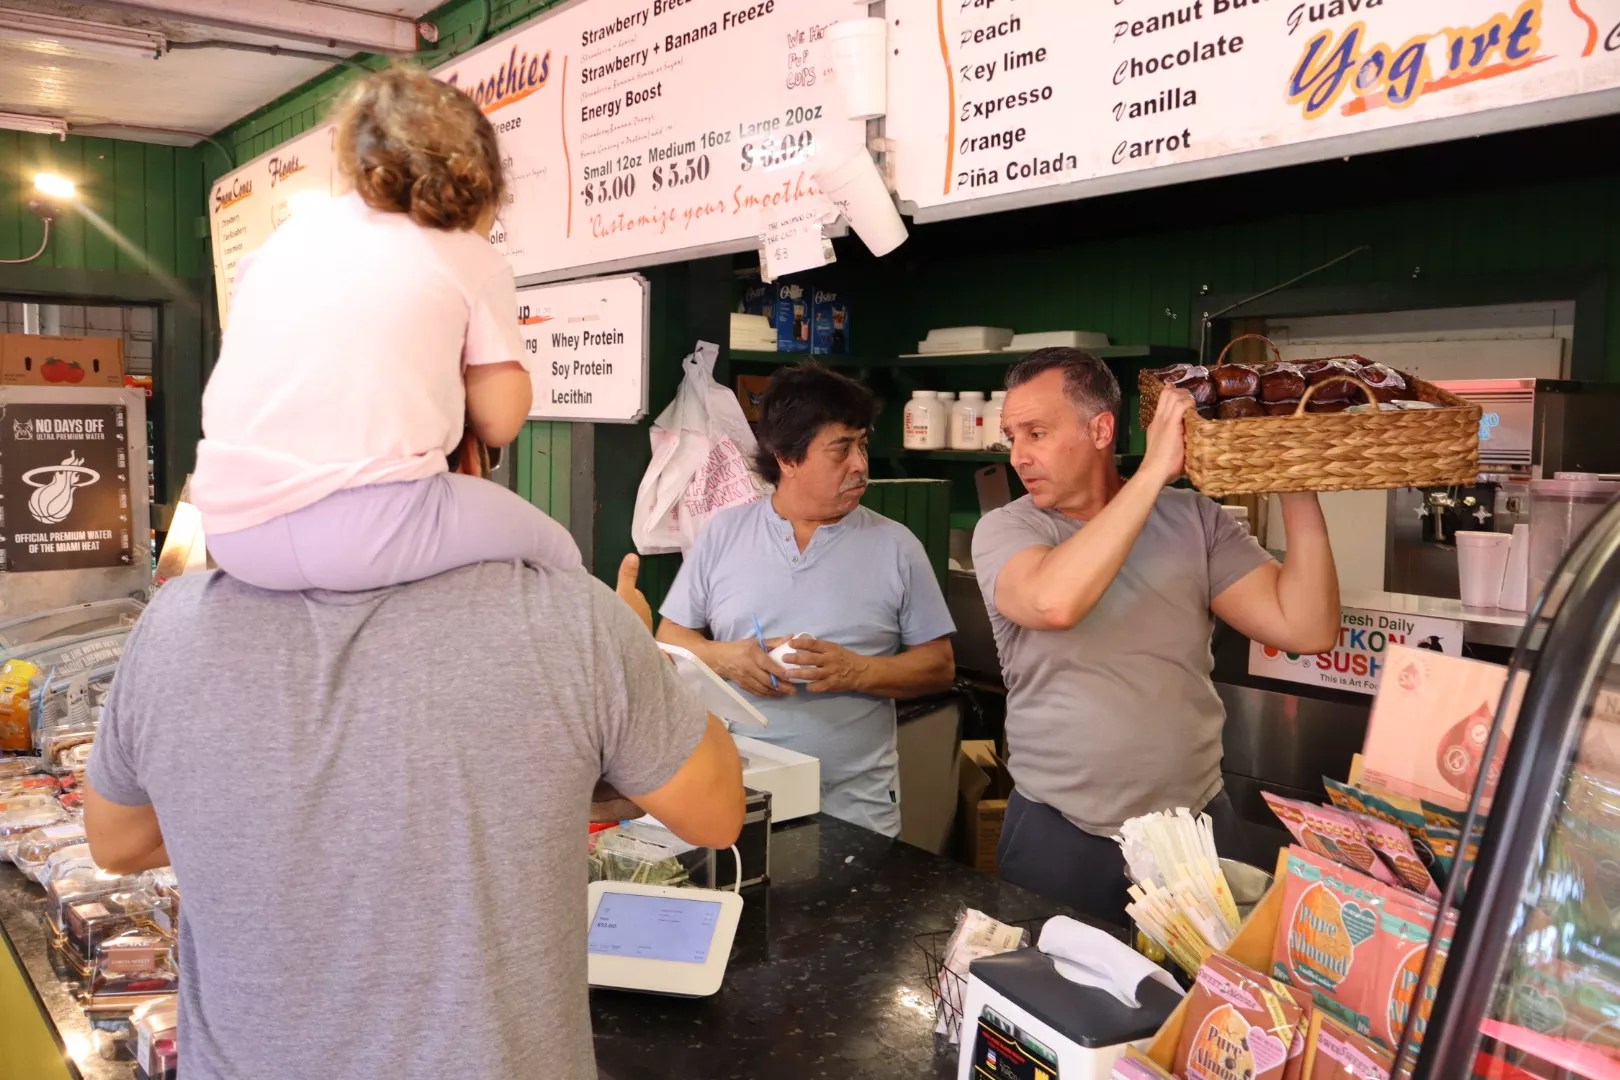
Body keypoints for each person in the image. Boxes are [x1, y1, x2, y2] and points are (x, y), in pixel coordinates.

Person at [83, 551, 745, 1079]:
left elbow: (118, 841)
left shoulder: (173, 623)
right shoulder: (572, 614)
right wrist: (637, 652)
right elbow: (716, 813)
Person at [972, 348, 1339, 925]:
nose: (1019, 455)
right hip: (1060, 834)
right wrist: (1152, 473)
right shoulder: (1009, 528)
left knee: (1201, 1007)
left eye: (1036, 433)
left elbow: (1307, 627)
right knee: (1054, 1010)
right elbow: (1054, 600)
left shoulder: (1195, 519)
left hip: (1195, 830)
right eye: (1012, 436)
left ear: (1100, 429)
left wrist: (1295, 477)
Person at [192, 64, 581, 591]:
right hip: (372, 528)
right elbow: (500, 422)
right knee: (555, 545)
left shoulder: (280, 244)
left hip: (231, 532)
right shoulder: (467, 255)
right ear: (480, 179)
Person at [656, 364, 957, 837]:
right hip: (742, 791)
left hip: (858, 804)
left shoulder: (897, 545)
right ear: (787, 458)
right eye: (841, 449)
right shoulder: (724, 534)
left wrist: (858, 670)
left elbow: (939, 665)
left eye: (862, 444)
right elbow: (670, 638)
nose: (860, 464)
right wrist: (726, 658)